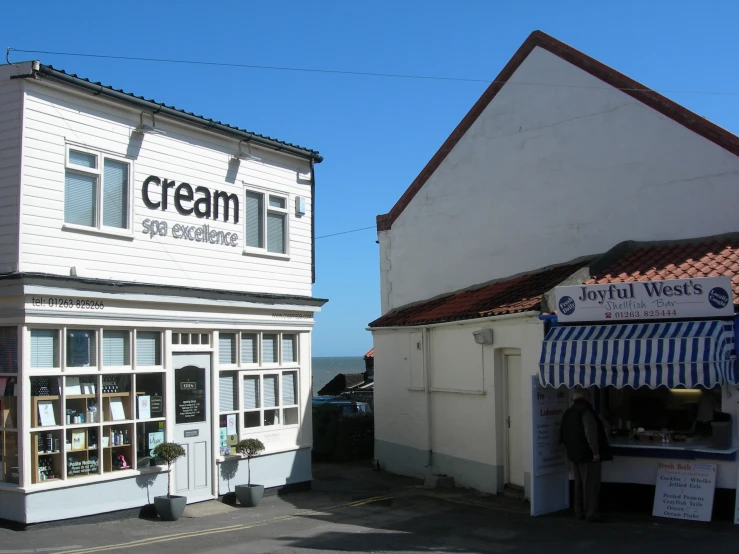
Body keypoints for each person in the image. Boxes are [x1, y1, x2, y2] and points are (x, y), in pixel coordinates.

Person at [560, 388, 612, 522]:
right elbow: (591, 434)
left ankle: (578, 511)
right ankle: (590, 513)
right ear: (587, 398)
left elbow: (563, 434)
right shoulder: (586, 412)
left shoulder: (568, 413)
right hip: (587, 455)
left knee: (578, 484)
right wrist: (595, 452)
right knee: (590, 485)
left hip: (574, 455)